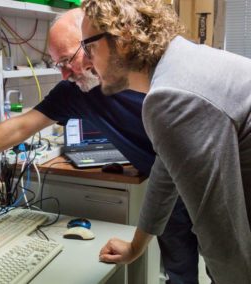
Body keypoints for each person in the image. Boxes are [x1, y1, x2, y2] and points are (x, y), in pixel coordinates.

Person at [0, 9, 198, 283]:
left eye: (68, 60)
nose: (65, 73)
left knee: (228, 266)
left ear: (95, 45)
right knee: (180, 272)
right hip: (168, 193)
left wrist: (136, 244)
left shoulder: (151, 78)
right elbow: (20, 125)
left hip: (207, 183)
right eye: (59, 64)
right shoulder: (77, 90)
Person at [80, 0, 251, 283]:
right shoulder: (181, 62)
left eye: (89, 47)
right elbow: (167, 167)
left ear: (122, 37)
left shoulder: (170, 95)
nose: (85, 61)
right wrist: (137, 245)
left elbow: (222, 236)